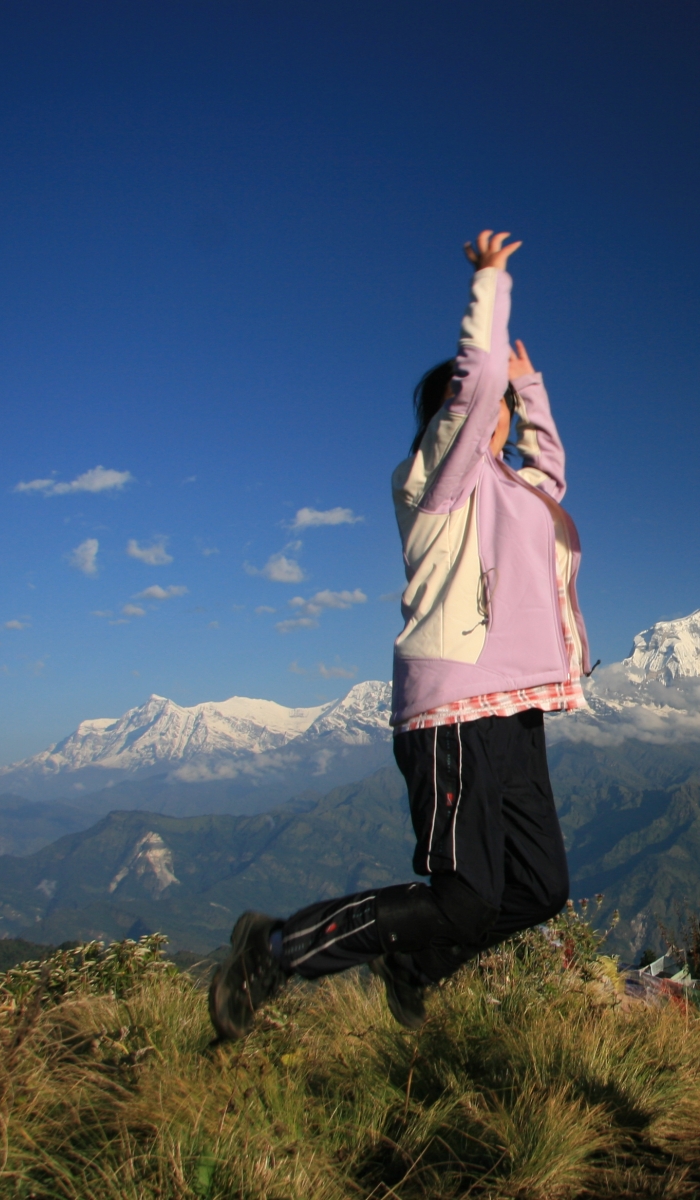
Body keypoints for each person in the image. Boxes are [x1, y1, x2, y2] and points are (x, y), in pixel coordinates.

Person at [209, 228, 590, 1040]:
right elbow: (477, 381)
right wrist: (491, 284)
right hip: (454, 708)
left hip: (516, 710)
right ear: (455, 418)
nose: (501, 415)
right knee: (462, 895)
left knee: (538, 890)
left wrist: (536, 393)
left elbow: (551, 477)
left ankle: (414, 963)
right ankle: (275, 948)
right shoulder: (437, 484)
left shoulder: (514, 489)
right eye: (491, 409)